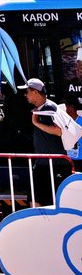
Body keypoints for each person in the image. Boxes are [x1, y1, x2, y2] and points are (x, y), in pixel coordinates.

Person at [26, 78, 72, 206]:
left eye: (27, 92)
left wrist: (36, 122)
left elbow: (58, 131)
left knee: (52, 202)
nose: (26, 95)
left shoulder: (50, 107)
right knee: (35, 200)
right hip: (43, 163)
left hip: (55, 164)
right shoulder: (41, 108)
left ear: (35, 92)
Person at [64, 96, 82, 169]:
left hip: (80, 160)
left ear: (71, 107)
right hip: (68, 160)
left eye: (66, 107)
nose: (65, 110)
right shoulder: (65, 123)